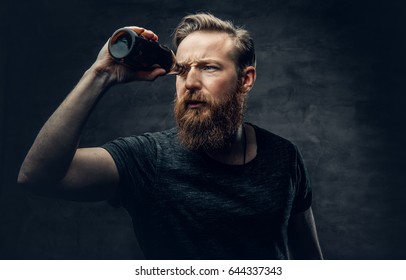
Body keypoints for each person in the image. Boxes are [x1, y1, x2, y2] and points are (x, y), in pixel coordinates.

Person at [17, 13, 323, 260]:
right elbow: (37, 175)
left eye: (208, 68)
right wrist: (101, 75)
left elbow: (310, 261)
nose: (190, 82)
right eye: (182, 70)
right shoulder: (148, 159)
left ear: (245, 80)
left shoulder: (284, 157)